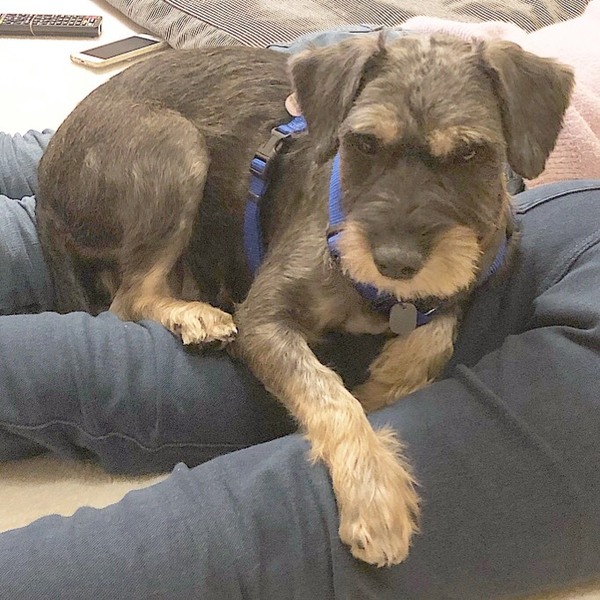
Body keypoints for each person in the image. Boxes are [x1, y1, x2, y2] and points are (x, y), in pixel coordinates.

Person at [1, 39, 600, 600]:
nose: (396, 250)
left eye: (465, 155)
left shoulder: (518, 230)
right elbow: (266, 321)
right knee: (136, 166)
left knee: (57, 225)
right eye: (367, 147)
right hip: (140, 162)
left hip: (165, 174)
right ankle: (145, 292)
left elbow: (471, 282)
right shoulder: (338, 133)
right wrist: (342, 425)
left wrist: (430, 340)